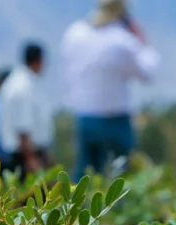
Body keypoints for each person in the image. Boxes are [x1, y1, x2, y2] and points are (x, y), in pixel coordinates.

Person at [61, 0, 160, 182]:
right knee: (124, 175)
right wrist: (143, 43)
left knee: (85, 175)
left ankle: (75, 210)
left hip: (85, 117)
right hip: (116, 119)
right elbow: (147, 72)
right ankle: (122, 210)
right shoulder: (120, 40)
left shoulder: (74, 34)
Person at [0, 43, 54, 180]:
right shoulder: (22, 86)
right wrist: (31, 159)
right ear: (38, 61)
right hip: (25, 156)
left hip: (28, 153)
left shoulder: (21, 82)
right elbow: (22, 127)